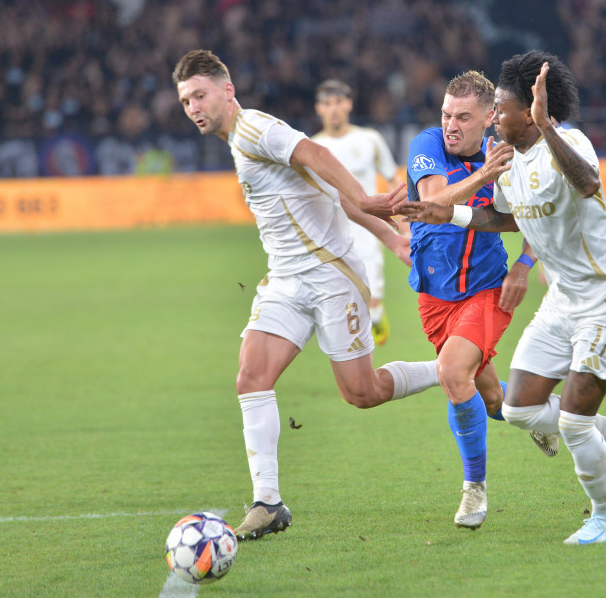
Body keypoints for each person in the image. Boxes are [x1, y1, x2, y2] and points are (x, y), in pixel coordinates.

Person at [172, 49, 440, 542]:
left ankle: (448, 370)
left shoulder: (254, 129)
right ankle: (268, 503)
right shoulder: (239, 140)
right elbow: (324, 191)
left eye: (200, 95)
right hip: (286, 281)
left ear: (227, 91)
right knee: (251, 375)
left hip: (331, 277)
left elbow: (317, 157)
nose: (193, 107)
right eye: (186, 99)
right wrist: (391, 237)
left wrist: (366, 200)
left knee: (363, 393)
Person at [398, 51, 606, 545]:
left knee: (573, 423)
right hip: (561, 303)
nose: (495, 120)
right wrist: (449, 216)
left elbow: (589, 183)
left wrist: (546, 129)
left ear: (530, 114)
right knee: (517, 409)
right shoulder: (506, 160)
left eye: (502, 111)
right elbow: (509, 218)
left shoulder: (569, 142)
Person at [404, 70, 538, 530]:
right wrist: (483, 173)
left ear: (490, 118)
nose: (450, 125)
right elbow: (432, 202)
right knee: (493, 397)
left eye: (463, 117)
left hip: (486, 290)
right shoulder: (427, 145)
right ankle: (551, 418)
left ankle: (474, 489)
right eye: (446, 114)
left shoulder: (513, 158)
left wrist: (525, 264)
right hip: (435, 297)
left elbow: (542, 219)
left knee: (451, 372)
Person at [312, 79, 402, 346]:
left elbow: (392, 178)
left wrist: (404, 219)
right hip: (331, 233)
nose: (334, 109)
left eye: (338, 102)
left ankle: (374, 321)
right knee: (341, 303)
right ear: (319, 109)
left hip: (369, 231)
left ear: (349, 104)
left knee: (371, 304)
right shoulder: (313, 147)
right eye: (327, 104)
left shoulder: (369, 139)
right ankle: (355, 356)